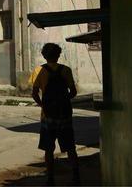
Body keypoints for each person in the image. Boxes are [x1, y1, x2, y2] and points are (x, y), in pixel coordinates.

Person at [30, 43, 80, 186]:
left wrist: (43, 104)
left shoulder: (38, 71)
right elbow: (73, 92)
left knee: (48, 149)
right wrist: (63, 100)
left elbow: (34, 94)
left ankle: (50, 179)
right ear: (58, 55)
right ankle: (76, 176)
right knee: (70, 148)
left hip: (48, 117)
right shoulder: (66, 70)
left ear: (44, 55)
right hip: (65, 116)